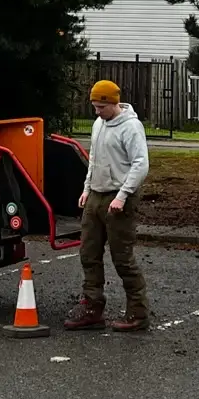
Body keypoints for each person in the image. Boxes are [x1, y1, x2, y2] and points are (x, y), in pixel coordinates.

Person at [65, 79, 150, 332]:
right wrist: (86, 188)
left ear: (112, 103)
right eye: (94, 106)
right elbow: (94, 159)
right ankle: (92, 307)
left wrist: (122, 196)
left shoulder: (131, 128)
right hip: (97, 195)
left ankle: (138, 312)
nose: (97, 111)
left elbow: (140, 164)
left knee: (122, 257)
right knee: (88, 252)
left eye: (100, 106)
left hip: (119, 196)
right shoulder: (98, 124)